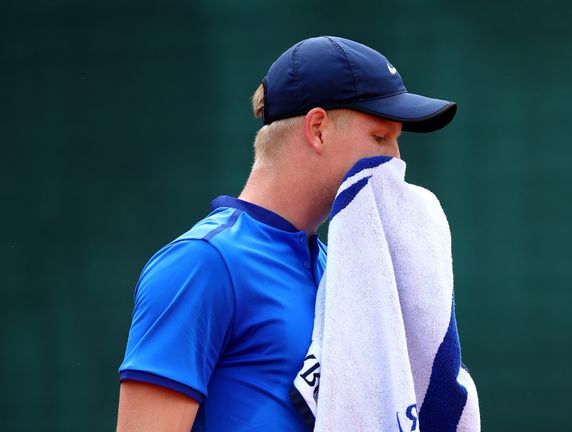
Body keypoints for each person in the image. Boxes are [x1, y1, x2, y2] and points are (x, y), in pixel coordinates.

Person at [115, 35, 457, 431]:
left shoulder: (341, 271)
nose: (396, 160)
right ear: (318, 129)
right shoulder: (202, 263)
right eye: (381, 138)